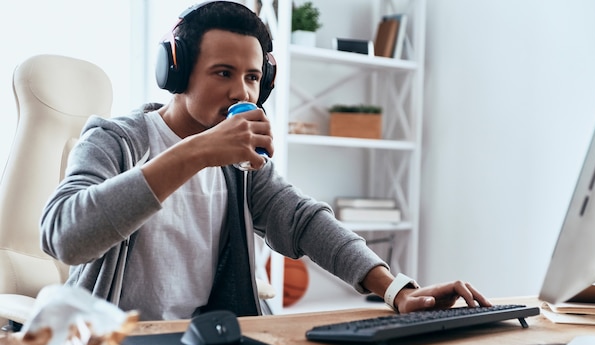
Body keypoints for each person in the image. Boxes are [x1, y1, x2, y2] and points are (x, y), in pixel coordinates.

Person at [40, 0, 490, 321]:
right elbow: (63, 236)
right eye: (223, 73)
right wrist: (197, 153)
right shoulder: (115, 140)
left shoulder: (241, 163)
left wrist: (396, 290)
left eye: (253, 77)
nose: (242, 92)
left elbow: (304, 221)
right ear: (175, 73)